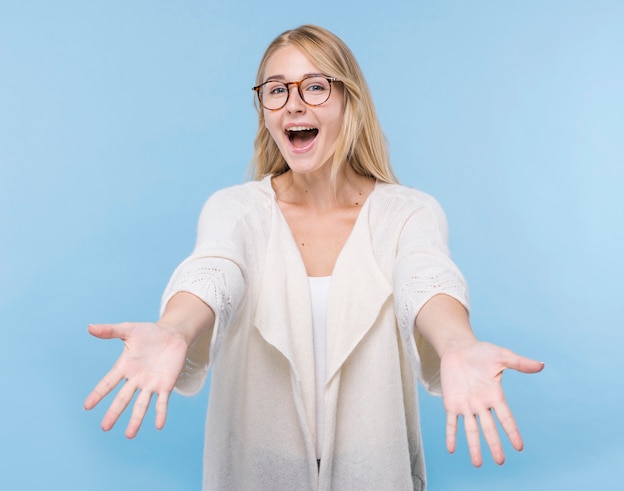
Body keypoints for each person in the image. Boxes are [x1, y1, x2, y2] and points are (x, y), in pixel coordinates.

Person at [84, 24, 544, 490]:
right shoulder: (237, 210)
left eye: (316, 87)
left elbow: (425, 280)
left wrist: (458, 345)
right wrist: (173, 330)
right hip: (257, 466)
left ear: (350, 100)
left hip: (373, 464)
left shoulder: (408, 213)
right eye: (276, 90)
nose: (294, 103)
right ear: (263, 110)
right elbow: (215, 270)